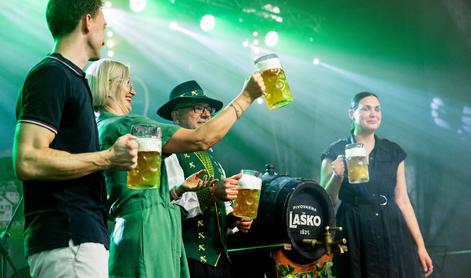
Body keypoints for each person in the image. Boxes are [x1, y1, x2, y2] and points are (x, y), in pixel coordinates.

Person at [85, 59, 264, 277]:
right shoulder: (130, 127)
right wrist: (246, 97)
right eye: (127, 83)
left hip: (145, 233)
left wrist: (231, 218)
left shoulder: (100, 129)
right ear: (109, 85)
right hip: (154, 236)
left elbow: (145, 193)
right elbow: (203, 139)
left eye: (208, 110)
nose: (133, 91)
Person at [12, 1, 138, 277]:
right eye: (104, 26)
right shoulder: (52, 74)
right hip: (68, 238)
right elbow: (27, 160)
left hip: (79, 239)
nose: (106, 35)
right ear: (88, 21)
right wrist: (108, 158)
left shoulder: (71, 78)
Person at [319, 92, 433, 277]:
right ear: (351, 114)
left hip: (391, 227)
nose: (373, 114)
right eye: (366, 108)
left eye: (377, 109)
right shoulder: (335, 151)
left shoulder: (392, 151)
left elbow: (402, 200)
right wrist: (337, 176)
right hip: (354, 228)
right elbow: (326, 201)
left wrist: (421, 246)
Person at [158, 80, 253, 278]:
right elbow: (169, 206)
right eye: (197, 108)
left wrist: (234, 220)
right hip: (186, 259)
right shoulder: (169, 153)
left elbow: (218, 214)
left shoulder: (213, 158)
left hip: (220, 261)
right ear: (176, 116)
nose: (206, 114)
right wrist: (212, 194)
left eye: (208, 109)